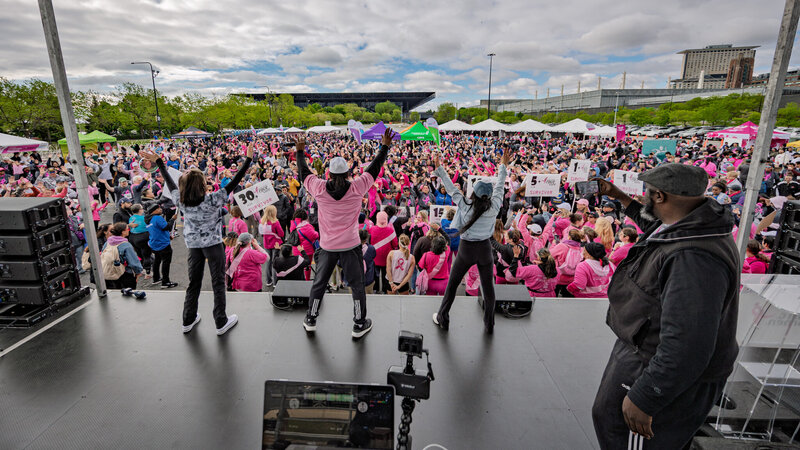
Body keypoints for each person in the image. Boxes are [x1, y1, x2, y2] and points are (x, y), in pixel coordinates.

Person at [591, 163, 740, 449]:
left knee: (623, 432)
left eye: (648, 193)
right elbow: (654, 226)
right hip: (645, 346)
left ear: (660, 197)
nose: (646, 197)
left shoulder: (692, 257)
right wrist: (621, 197)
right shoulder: (693, 224)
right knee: (608, 416)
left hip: (655, 364)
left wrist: (648, 395)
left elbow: (689, 342)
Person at [141, 144, 253, 336]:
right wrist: (248, 160)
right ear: (203, 185)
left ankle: (188, 319)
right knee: (218, 282)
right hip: (213, 245)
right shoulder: (213, 199)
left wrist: (159, 161)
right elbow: (234, 182)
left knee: (194, 282)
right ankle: (220, 321)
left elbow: (170, 183)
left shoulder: (180, 199)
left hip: (193, 246)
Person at [295, 129, 393, 339]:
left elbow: (303, 173)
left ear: (328, 174)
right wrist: (384, 146)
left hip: (328, 246)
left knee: (319, 283)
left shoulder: (319, 188)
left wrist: (300, 152)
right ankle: (359, 323)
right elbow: (374, 168)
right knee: (357, 285)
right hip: (350, 245)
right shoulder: (357, 187)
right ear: (349, 173)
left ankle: (311, 319)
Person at [431, 147, 511, 334]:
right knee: (488, 287)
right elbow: (500, 185)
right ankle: (489, 324)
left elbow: (451, 188)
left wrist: (439, 169)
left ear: (472, 192)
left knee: (452, 285)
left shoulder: (464, 204)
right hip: (484, 249)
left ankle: (443, 317)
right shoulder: (495, 205)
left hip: (466, 250)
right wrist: (503, 166)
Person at [103, 222, 144, 289]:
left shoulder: (108, 242)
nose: (129, 230)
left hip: (112, 271)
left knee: (117, 293)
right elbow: (133, 262)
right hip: (126, 272)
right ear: (123, 232)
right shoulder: (126, 245)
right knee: (129, 294)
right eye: (128, 229)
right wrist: (138, 272)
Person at [146, 203, 178, 289]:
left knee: (157, 260)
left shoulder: (148, 219)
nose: (161, 210)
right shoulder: (157, 218)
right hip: (163, 244)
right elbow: (166, 227)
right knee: (166, 262)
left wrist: (167, 235)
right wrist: (172, 219)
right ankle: (165, 281)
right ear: (154, 211)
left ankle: (156, 278)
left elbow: (157, 229)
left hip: (154, 243)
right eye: (159, 208)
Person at [369, 211, 398, 293]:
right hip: (387, 257)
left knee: (376, 274)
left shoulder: (372, 229)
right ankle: (385, 290)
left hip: (375, 257)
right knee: (386, 274)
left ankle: (376, 289)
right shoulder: (390, 230)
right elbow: (395, 243)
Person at [259, 204, 284, 287]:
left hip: (266, 243)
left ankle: (268, 280)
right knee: (275, 262)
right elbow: (281, 233)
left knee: (268, 262)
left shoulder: (261, 221)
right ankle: (275, 282)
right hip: (276, 244)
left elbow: (261, 233)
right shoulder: (275, 222)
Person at [127, 204, 152, 278]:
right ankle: (148, 272)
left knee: (139, 254)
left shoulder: (131, 218)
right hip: (142, 237)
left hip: (133, 238)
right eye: (142, 208)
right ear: (139, 210)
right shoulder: (144, 218)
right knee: (146, 255)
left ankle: (142, 269)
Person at [360, 229, 377, 294]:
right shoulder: (371, 248)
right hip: (368, 279)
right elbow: (373, 255)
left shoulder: (352, 249)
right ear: (367, 238)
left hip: (355, 280)